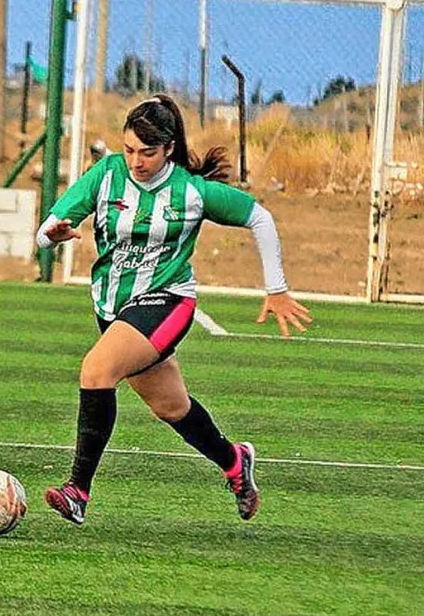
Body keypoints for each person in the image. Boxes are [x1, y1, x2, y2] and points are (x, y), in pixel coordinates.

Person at [36, 94, 312, 525]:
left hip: (169, 301)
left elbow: (260, 218)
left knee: (95, 371)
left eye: (147, 152)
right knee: (170, 407)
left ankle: (78, 491)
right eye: (129, 149)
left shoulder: (191, 191)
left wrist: (276, 289)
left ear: (168, 148)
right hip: (114, 306)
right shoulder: (105, 176)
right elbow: (45, 230)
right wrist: (53, 235)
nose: (136, 160)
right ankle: (235, 462)